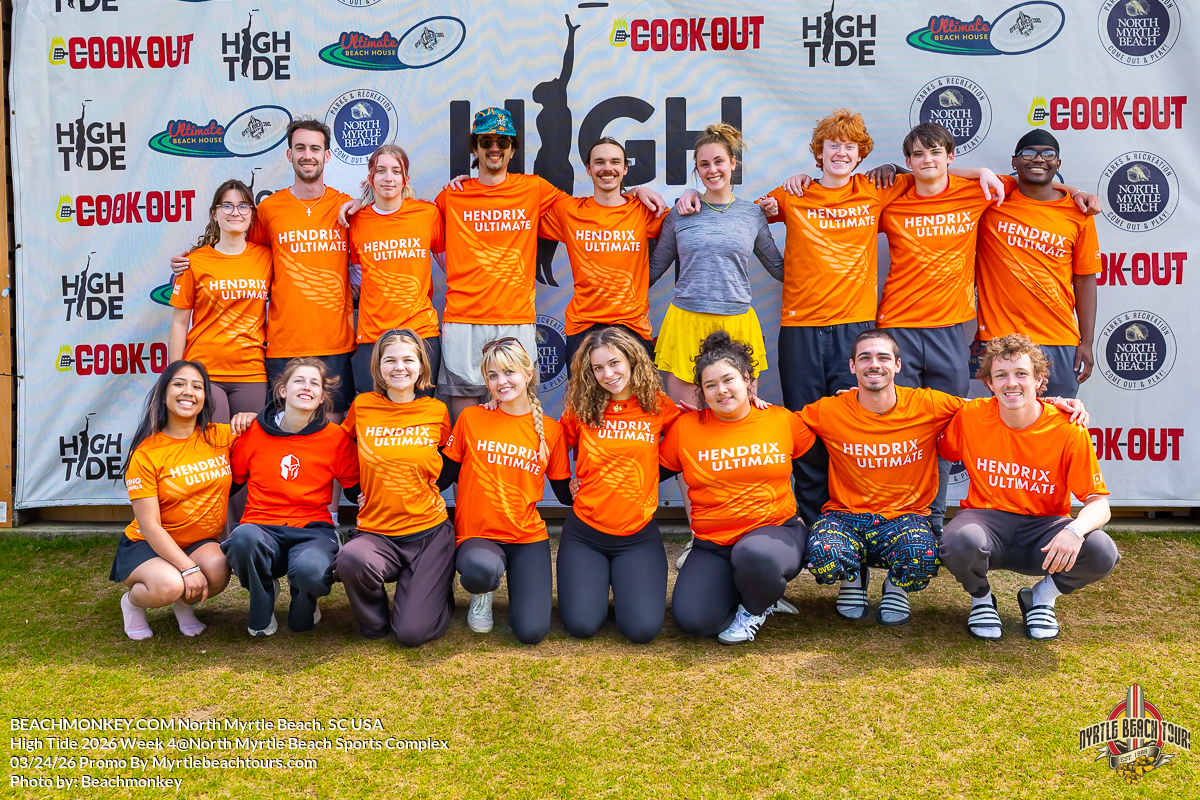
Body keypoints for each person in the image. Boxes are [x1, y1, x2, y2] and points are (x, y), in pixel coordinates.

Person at [797, 329, 1088, 625]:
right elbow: (786, 425)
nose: (874, 364)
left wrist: (1053, 402)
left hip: (906, 516)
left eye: (883, 357)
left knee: (923, 555)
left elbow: (1000, 403)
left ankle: (896, 586)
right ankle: (853, 580)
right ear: (852, 366)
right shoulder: (829, 409)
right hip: (846, 515)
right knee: (822, 552)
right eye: (865, 358)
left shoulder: (929, 404)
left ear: (898, 365)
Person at [433, 107, 665, 423]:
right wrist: (459, 273)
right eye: (486, 142)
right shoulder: (453, 195)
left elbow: (609, 207)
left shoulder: (534, 189)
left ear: (512, 149)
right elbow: (432, 238)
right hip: (463, 317)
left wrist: (635, 190)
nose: (494, 148)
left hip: (517, 318)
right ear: (475, 148)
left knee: (516, 405)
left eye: (503, 141)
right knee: (466, 407)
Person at [938, 334, 1119, 640]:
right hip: (987, 523)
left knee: (1101, 550)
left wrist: (1074, 531)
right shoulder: (971, 416)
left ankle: (1041, 598)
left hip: (1043, 530)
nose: (1011, 383)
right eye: (1001, 375)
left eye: (1021, 374)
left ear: (1039, 380)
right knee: (959, 540)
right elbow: (940, 447)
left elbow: (1099, 503)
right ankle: (982, 600)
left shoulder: (1067, 428)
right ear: (989, 383)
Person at [173, 119, 357, 418]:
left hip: (336, 343)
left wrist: (364, 200)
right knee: (282, 431)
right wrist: (190, 262)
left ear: (327, 155)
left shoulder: (346, 207)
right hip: (281, 346)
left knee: (332, 431)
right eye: (300, 148)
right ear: (289, 154)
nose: (307, 155)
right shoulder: (270, 208)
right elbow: (238, 252)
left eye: (314, 149)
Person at [660, 332, 813, 645]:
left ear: (746, 379)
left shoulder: (780, 420)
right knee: (694, 621)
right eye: (710, 385)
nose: (721, 390)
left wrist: (817, 520)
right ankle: (753, 590)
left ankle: (755, 608)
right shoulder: (686, 428)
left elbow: (820, 468)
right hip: (713, 545)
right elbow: (647, 474)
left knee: (753, 555)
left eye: (728, 379)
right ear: (701, 392)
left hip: (775, 535)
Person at [442, 339, 572, 644]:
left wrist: (584, 487)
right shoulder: (472, 418)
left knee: (532, 632)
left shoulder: (551, 431)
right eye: (493, 375)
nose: (501, 382)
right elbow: (443, 477)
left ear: (528, 374)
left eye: (509, 372)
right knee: (481, 570)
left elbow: (564, 493)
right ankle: (482, 594)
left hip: (527, 538)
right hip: (478, 536)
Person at [557, 327, 681, 643]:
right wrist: (566, 484)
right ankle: (596, 591)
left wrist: (749, 401)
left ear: (631, 360)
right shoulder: (581, 407)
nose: (608, 374)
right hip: (585, 534)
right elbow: (552, 444)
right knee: (582, 625)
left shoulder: (657, 405)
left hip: (637, 536)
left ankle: (627, 591)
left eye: (614, 363)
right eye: (598, 367)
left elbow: (690, 435)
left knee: (642, 630)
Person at [334, 329, 458, 646]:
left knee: (412, 633)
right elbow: (340, 447)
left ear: (421, 366)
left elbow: (451, 459)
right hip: (377, 532)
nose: (399, 367)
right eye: (390, 360)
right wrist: (354, 489)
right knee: (350, 558)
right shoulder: (362, 406)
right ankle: (374, 621)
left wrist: (429, 485)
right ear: (378, 366)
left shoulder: (436, 410)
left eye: (408, 360)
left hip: (428, 533)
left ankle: (432, 591)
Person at [221, 358, 360, 637]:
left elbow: (356, 490)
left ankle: (306, 599)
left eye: (314, 383)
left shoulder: (336, 438)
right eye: (299, 380)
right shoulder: (253, 432)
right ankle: (263, 593)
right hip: (261, 528)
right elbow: (229, 484)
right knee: (242, 539)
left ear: (321, 397)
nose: (306, 387)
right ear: (283, 390)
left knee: (309, 577)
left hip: (312, 530)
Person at [112, 362, 250, 640]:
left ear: (205, 398)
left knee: (219, 569)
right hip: (147, 545)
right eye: (179, 384)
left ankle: (184, 607)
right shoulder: (146, 453)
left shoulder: (221, 436)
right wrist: (189, 568)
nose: (189, 391)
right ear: (163, 394)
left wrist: (253, 417)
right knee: (169, 585)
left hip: (198, 542)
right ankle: (133, 603)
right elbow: (149, 526)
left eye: (197, 386)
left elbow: (274, 432)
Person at [975, 131, 1102, 398]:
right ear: (1014, 161)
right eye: (1029, 153)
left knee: (1057, 419)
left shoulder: (1079, 214)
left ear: (1058, 163)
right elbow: (937, 179)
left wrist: (1087, 342)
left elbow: (1085, 279)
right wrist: (898, 171)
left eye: (1048, 154)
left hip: (1059, 338)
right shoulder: (991, 202)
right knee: (1009, 419)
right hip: (1002, 339)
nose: (1039, 159)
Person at [538, 137, 665, 372]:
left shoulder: (643, 211)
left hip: (632, 326)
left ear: (625, 169)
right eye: (599, 162)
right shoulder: (569, 211)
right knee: (586, 396)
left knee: (637, 396)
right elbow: (515, 212)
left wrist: (690, 193)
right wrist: (469, 187)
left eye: (615, 162)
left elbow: (687, 224)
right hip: (584, 327)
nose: (608, 168)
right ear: (588, 168)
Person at [168, 179, 271, 423]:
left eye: (243, 206)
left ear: (251, 215)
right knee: (212, 442)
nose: (235, 212)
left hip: (252, 372)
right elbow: (179, 323)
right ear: (215, 214)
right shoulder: (194, 262)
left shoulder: (267, 256)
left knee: (248, 442)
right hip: (203, 372)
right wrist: (175, 375)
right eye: (227, 206)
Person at [347, 145, 445, 398]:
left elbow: (450, 266)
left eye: (395, 171)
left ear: (405, 179)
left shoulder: (427, 214)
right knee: (375, 414)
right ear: (370, 178)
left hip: (420, 333)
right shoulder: (356, 220)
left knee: (419, 413)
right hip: (373, 336)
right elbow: (358, 278)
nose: (388, 178)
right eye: (381, 171)